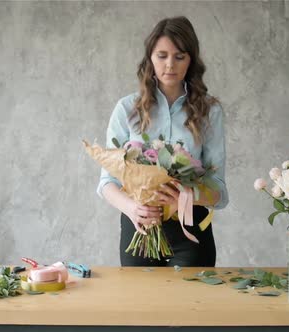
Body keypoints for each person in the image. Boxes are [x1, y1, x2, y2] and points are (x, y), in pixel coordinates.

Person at [97, 16, 228, 267]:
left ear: (191, 60)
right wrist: (131, 207)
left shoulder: (210, 111)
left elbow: (219, 190)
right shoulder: (127, 109)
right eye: (162, 55)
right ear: (150, 58)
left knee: (191, 306)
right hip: (139, 230)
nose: (170, 65)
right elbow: (107, 183)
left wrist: (187, 198)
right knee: (141, 306)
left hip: (191, 232)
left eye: (180, 56)